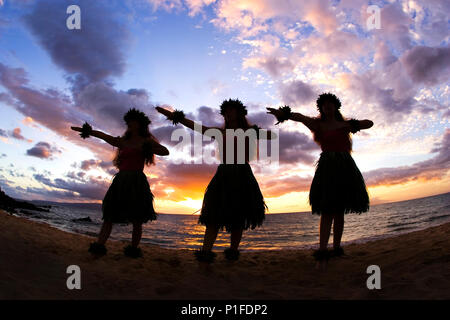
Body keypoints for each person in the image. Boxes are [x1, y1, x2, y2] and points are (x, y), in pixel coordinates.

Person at [156, 99, 274, 262]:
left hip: (242, 175)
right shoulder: (220, 132)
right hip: (224, 174)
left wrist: (268, 127)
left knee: (238, 218)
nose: (229, 113)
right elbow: (196, 127)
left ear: (239, 113)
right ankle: (205, 254)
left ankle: (232, 253)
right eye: (226, 111)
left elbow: (271, 135)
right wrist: (173, 115)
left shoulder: (249, 132)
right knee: (213, 216)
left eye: (232, 110)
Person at [267, 93, 373, 269]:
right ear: (321, 108)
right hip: (327, 169)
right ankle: (322, 254)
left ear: (336, 106)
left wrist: (352, 125)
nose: (328, 107)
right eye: (324, 105)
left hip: (346, 168)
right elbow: (299, 117)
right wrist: (283, 114)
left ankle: (337, 249)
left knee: (339, 211)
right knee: (327, 211)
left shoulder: (344, 124)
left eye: (331, 104)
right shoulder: (318, 125)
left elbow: (369, 123)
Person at [71, 108, 169, 258]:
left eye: (132, 121)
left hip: (137, 182)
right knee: (109, 216)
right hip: (121, 181)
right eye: (128, 122)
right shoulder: (122, 141)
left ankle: (133, 251)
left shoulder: (146, 141)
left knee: (137, 219)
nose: (129, 124)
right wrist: (89, 132)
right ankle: (99, 247)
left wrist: (144, 147)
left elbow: (165, 151)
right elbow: (104, 136)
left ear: (139, 124)